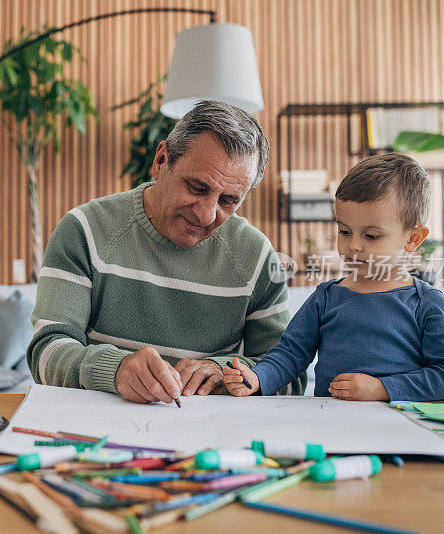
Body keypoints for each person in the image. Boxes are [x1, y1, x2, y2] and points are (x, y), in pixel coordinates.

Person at [27, 100, 304, 404]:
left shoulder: (256, 257)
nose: (207, 214)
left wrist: (225, 373)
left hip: (211, 438)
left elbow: (291, 376)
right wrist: (115, 369)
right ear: (161, 161)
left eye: (228, 201)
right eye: (197, 187)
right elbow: (46, 354)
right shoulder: (85, 229)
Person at [223, 153, 444, 401]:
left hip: (397, 429)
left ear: (413, 239)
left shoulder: (428, 303)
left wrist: (381, 389)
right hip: (331, 425)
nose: (353, 246)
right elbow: (290, 354)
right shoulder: (326, 297)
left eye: (371, 236)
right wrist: (257, 377)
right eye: (344, 231)